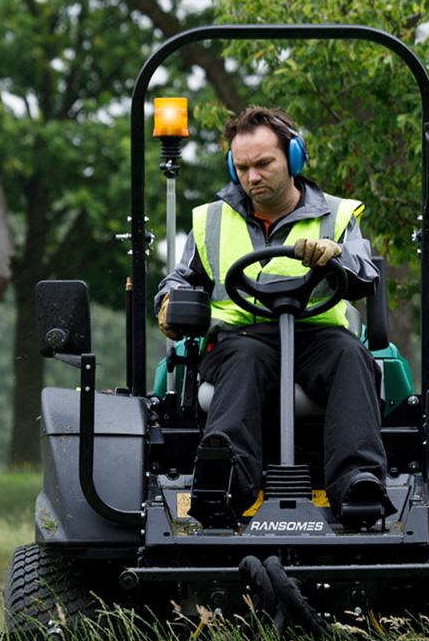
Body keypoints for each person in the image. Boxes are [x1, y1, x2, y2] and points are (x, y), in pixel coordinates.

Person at [154, 106, 390, 527]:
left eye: (264, 164)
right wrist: (170, 301)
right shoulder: (211, 220)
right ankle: (224, 484)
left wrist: (337, 257)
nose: (252, 177)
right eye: (242, 167)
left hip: (316, 337)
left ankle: (359, 481)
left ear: (294, 160)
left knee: (352, 357)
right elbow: (180, 278)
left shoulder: (335, 216)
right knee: (243, 360)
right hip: (242, 340)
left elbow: (364, 271)